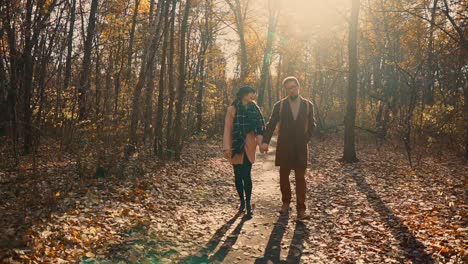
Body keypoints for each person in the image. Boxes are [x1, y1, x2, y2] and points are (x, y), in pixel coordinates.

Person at [260, 76, 316, 220]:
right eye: (288, 88)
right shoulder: (280, 105)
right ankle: (285, 203)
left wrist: (305, 140)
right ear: (286, 90)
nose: (292, 90)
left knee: (300, 178)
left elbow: (312, 126)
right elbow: (271, 124)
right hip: (284, 146)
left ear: (298, 86)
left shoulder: (308, 105)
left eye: (293, 87)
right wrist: (265, 141)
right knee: (283, 176)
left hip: (301, 148)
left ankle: (301, 209)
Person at [223, 86, 265, 218]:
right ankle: (241, 202)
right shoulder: (232, 109)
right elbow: (228, 129)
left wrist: (261, 143)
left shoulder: (255, 108)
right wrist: (227, 147)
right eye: (251, 92)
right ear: (244, 94)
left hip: (249, 146)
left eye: (254, 92)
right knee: (238, 176)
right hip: (236, 145)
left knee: (246, 175)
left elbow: (260, 128)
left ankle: (248, 204)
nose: (253, 94)